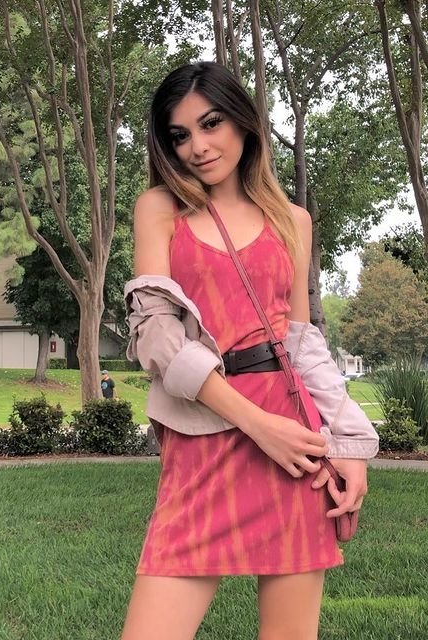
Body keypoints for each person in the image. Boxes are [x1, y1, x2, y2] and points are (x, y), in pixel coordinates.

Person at [121, 61, 379, 640]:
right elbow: (157, 335)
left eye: (211, 123)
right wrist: (259, 425)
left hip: (292, 444)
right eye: (180, 135)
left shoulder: (293, 220)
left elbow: (302, 344)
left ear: (243, 121)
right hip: (206, 432)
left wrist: (349, 443)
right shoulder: (160, 208)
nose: (198, 147)